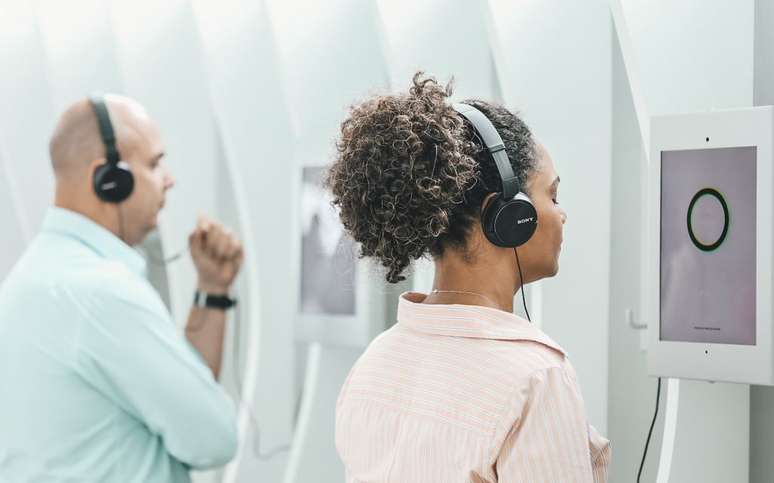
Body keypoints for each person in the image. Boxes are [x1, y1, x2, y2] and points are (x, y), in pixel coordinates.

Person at [328, 73, 610, 482]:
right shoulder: (534, 377)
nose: (561, 213)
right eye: (552, 195)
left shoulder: (375, 362)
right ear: (508, 217)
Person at [0, 95, 243, 482]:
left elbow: (181, 400)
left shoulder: (33, 278)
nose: (169, 179)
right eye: (154, 163)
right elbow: (213, 440)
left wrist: (211, 290)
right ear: (110, 180)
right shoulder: (102, 293)